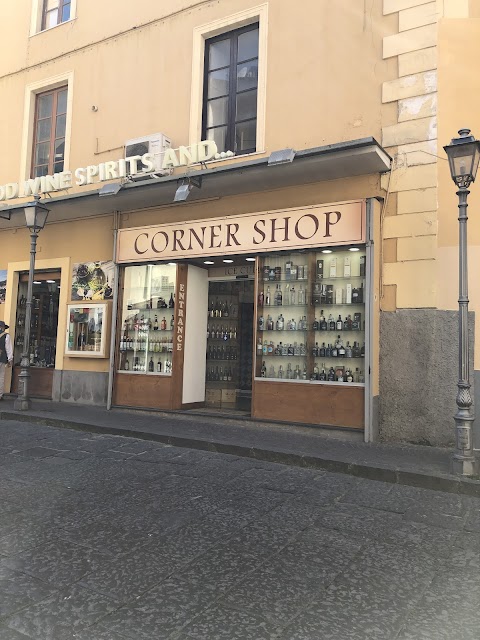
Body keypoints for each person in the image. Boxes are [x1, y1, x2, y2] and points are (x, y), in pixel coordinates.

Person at [0, 320, 13, 400]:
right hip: (1, 359)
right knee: (1, 377)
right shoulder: (6, 336)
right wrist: (10, 359)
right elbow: (8, 348)